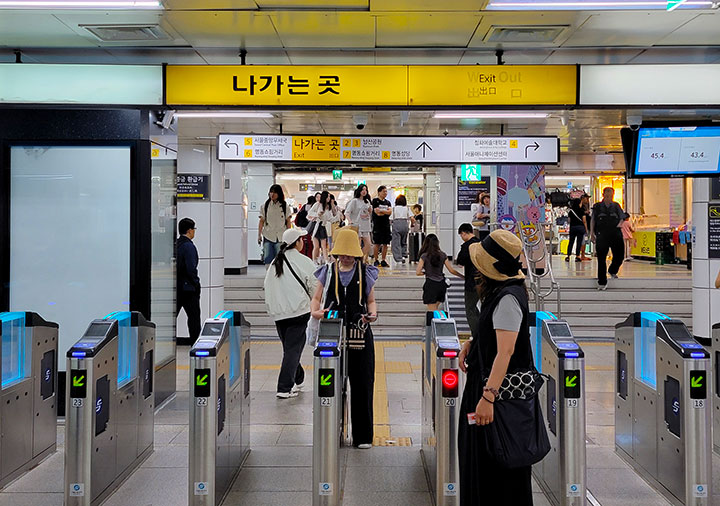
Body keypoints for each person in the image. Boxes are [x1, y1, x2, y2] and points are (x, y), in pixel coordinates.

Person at [457, 229, 537, 506]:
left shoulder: (507, 299)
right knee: (484, 463)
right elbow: (494, 336)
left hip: (498, 398)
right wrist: (473, 342)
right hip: (489, 389)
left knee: (495, 466)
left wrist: (488, 397)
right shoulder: (501, 293)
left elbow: (506, 351)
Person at [310, 228, 379, 448]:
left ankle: (363, 436)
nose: (347, 257)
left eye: (351, 253)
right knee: (331, 386)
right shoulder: (327, 272)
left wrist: (373, 314)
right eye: (343, 253)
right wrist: (315, 312)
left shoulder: (366, 272)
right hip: (333, 337)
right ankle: (332, 432)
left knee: (363, 385)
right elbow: (316, 297)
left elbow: (371, 301)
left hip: (360, 336)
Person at [264, 228, 317, 399]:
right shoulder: (304, 261)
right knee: (292, 350)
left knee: (290, 348)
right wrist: (314, 303)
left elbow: (267, 286)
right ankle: (284, 387)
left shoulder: (275, 262)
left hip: (279, 313)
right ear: (297, 242)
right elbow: (314, 286)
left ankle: (298, 377)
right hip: (298, 311)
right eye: (302, 239)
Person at [416, 234, 463, 311]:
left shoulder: (424, 256)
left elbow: (418, 272)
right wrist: (462, 276)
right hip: (441, 285)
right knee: (436, 308)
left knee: (432, 311)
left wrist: (426, 272)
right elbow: (451, 270)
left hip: (431, 284)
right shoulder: (443, 255)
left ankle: (434, 322)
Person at [591, 187, 626, 290]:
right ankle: (602, 282)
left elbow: (622, 217)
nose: (608, 198)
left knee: (620, 255)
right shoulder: (597, 206)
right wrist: (592, 233)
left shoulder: (616, 206)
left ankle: (612, 270)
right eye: (606, 196)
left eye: (610, 196)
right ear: (603, 195)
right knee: (601, 259)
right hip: (602, 234)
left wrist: (620, 224)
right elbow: (593, 219)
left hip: (615, 233)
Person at [176, 217, 201, 345]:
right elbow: (191, 268)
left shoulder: (177, 244)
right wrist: (196, 283)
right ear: (190, 230)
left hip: (178, 287)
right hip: (189, 289)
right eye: (194, 229)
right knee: (194, 318)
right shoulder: (189, 246)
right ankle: (196, 344)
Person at [456, 223, 481, 341]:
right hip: (484, 281)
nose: (461, 237)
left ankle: (477, 334)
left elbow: (460, 260)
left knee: (470, 308)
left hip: (471, 281)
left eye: (461, 234)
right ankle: (483, 329)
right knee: (478, 308)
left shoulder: (467, 246)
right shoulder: (481, 243)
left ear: (464, 233)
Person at [259, 184, 291, 266]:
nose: (272, 194)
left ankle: (278, 275)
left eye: (275, 192)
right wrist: (259, 235)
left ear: (279, 194)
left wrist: (288, 235)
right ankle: (269, 275)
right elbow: (261, 221)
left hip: (281, 236)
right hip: (268, 235)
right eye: (271, 192)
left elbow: (288, 221)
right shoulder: (265, 206)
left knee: (280, 258)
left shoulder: (284, 206)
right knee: (267, 258)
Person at [345, 184, 374, 262]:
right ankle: (357, 259)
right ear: (359, 191)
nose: (364, 191)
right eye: (362, 190)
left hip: (366, 226)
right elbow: (347, 212)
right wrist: (350, 221)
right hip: (356, 225)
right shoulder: (354, 201)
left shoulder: (367, 201)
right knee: (357, 244)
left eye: (365, 190)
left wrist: (370, 210)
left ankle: (359, 257)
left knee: (368, 244)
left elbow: (369, 213)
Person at [308, 190, 338, 265]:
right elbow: (310, 213)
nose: (329, 198)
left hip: (323, 227)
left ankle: (326, 261)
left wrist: (337, 217)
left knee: (324, 246)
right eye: (328, 196)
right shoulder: (318, 204)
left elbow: (330, 218)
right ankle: (314, 261)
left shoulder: (328, 207)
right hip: (317, 226)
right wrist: (318, 214)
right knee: (316, 246)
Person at [372, 185, 392, 267]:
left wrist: (382, 211)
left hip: (386, 225)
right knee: (377, 243)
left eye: (386, 191)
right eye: (384, 191)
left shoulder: (388, 202)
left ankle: (383, 259)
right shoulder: (375, 201)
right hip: (377, 225)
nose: (385, 193)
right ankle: (376, 259)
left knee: (385, 243)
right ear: (379, 192)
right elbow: (377, 212)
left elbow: (390, 212)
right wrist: (385, 211)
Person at [391, 194, 414, 264]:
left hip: (396, 223)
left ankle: (398, 259)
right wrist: (412, 224)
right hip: (405, 224)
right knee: (403, 241)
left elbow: (391, 218)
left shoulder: (394, 208)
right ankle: (404, 255)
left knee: (396, 242)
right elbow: (412, 218)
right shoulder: (407, 208)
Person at [565, 197, 588, 263]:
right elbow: (584, 221)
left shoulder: (570, 211)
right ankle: (577, 256)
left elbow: (569, 221)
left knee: (571, 242)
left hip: (573, 228)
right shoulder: (581, 211)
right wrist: (586, 229)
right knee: (579, 242)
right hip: (580, 228)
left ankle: (568, 256)